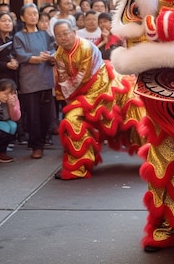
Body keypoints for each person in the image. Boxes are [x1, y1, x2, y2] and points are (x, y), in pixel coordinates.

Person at [52, 20, 144, 180]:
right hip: (84, 94)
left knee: (138, 116)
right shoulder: (59, 54)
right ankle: (77, 167)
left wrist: (70, 97)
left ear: (74, 32)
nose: (63, 38)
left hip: (103, 89)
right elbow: (63, 79)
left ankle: (159, 160)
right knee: (73, 121)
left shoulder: (87, 47)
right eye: (58, 35)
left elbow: (83, 76)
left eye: (65, 33)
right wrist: (68, 98)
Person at [14, 3, 56, 159]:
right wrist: (35, 58)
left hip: (45, 78)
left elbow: (53, 49)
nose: (33, 16)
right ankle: (35, 145)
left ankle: (43, 141)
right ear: (22, 17)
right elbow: (20, 54)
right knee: (32, 116)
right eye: (29, 14)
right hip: (29, 80)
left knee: (46, 115)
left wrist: (51, 56)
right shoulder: (19, 36)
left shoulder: (45, 34)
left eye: (35, 13)